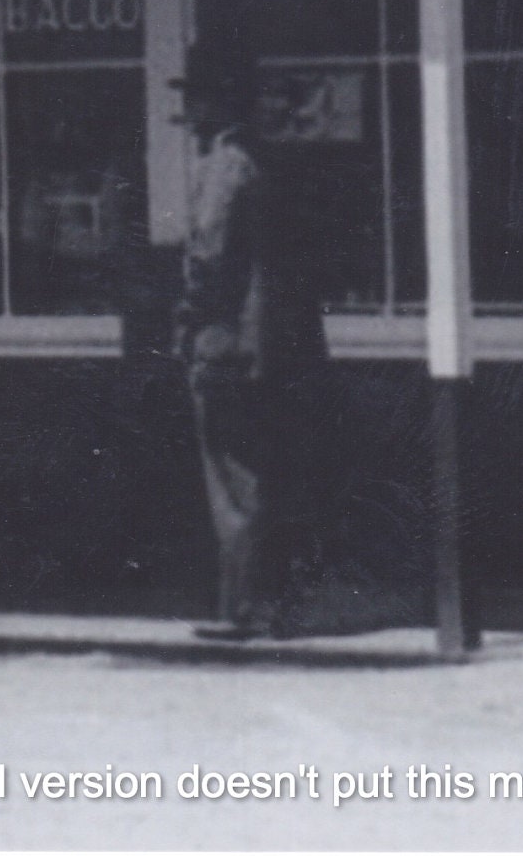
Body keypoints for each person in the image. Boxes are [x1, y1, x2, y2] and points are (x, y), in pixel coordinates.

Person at [171, 37, 337, 639]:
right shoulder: (272, 160)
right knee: (276, 473)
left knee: (236, 481)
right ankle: (279, 604)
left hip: (230, 345)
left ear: (215, 105)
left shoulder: (226, 164)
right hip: (283, 343)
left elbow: (208, 257)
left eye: (194, 101)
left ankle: (244, 608)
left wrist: (190, 326)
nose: (188, 115)